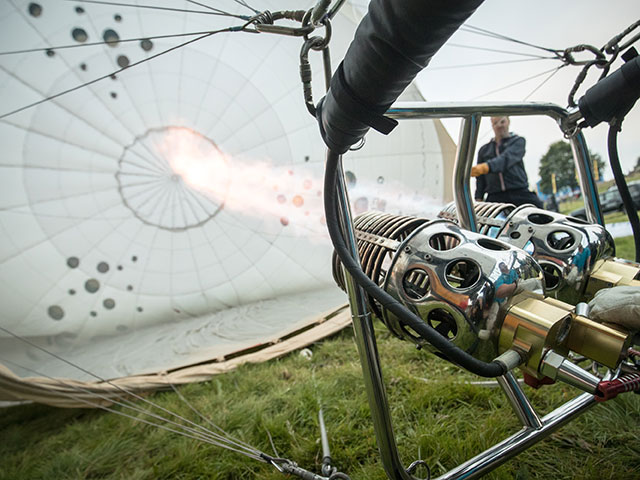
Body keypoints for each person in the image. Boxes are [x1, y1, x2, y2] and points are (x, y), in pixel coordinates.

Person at [472, 116, 543, 208]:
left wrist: (486, 167)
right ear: (492, 126)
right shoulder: (484, 150)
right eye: (495, 123)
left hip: (519, 192)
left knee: (540, 212)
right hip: (495, 196)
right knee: (486, 219)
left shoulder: (518, 141)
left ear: (508, 122)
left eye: (502, 122)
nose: (499, 126)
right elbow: (480, 179)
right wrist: (479, 198)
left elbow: (506, 159)